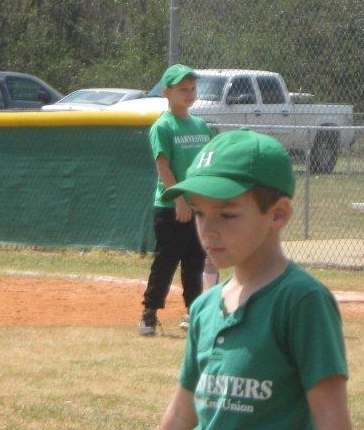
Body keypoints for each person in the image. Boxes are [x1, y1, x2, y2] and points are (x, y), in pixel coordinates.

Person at [159, 129, 351, 430]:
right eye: (199, 213)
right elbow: (183, 411)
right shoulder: (205, 307)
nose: (207, 230)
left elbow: (332, 417)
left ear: (278, 215)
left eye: (227, 215)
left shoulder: (301, 300)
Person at [138, 63, 218, 336]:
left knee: (195, 263)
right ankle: (149, 314)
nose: (189, 93)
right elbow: (164, 167)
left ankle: (193, 314)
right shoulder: (163, 126)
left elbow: (208, 165)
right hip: (171, 207)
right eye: (183, 89)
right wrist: (179, 201)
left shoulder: (201, 126)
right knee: (166, 262)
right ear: (167, 92)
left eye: (193, 89)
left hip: (198, 207)